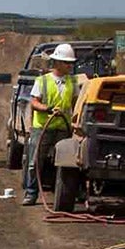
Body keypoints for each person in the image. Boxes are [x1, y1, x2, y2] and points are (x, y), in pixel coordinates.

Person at [21, 42, 79, 206]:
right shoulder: (43, 81)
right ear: (58, 62)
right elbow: (34, 102)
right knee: (35, 161)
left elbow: (75, 103)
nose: (70, 66)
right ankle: (31, 193)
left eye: (71, 63)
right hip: (43, 128)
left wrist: (75, 123)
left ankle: (64, 192)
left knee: (66, 163)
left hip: (63, 128)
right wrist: (47, 109)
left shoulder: (73, 82)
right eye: (67, 63)